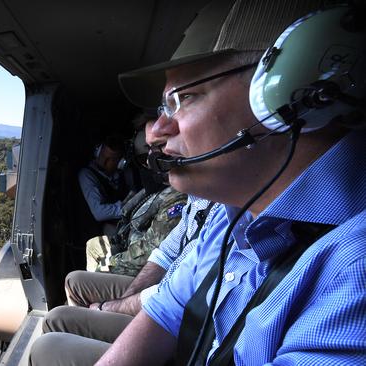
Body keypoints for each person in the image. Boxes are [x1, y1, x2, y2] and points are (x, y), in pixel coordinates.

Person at [95, 1, 366, 365]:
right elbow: (165, 314)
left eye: (183, 99)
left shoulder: (354, 269)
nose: (156, 132)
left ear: (299, 91)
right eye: (162, 108)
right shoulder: (233, 214)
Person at [29, 120, 219, 366]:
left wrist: (110, 307)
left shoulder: (208, 209)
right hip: (166, 301)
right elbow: (165, 254)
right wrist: (123, 300)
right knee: (68, 293)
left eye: (161, 151)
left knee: (48, 343)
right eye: (147, 155)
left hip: (180, 325)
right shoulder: (199, 202)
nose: (154, 162)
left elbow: (179, 292)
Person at [84, 123, 187, 274]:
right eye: (144, 157)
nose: (148, 162)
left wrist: (108, 264)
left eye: (157, 150)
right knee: (93, 245)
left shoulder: (176, 197)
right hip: (128, 245)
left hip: (139, 264)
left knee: (79, 281)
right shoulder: (150, 190)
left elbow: (150, 253)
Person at [78, 136, 129, 237]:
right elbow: (99, 212)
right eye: (103, 156)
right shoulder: (86, 175)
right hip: (99, 233)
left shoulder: (118, 174)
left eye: (111, 159)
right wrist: (125, 207)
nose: (104, 162)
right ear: (98, 152)